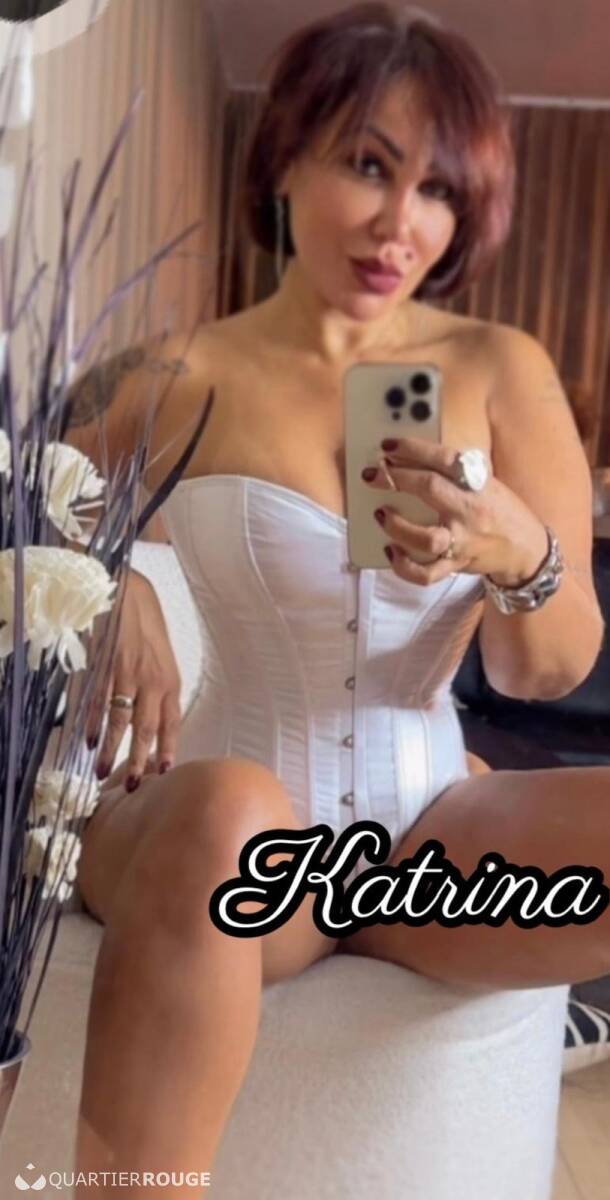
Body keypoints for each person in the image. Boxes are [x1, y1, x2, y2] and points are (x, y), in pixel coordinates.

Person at [65, 4, 608, 1191]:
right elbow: (27, 498)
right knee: (227, 815)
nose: (400, 223)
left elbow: (546, 670)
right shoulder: (179, 373)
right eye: (368, 165)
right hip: (227, 840)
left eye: (437, 190)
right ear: (287, 156)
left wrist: (517, 553)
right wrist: (107, 582)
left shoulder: (495, 369)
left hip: (427, 840)